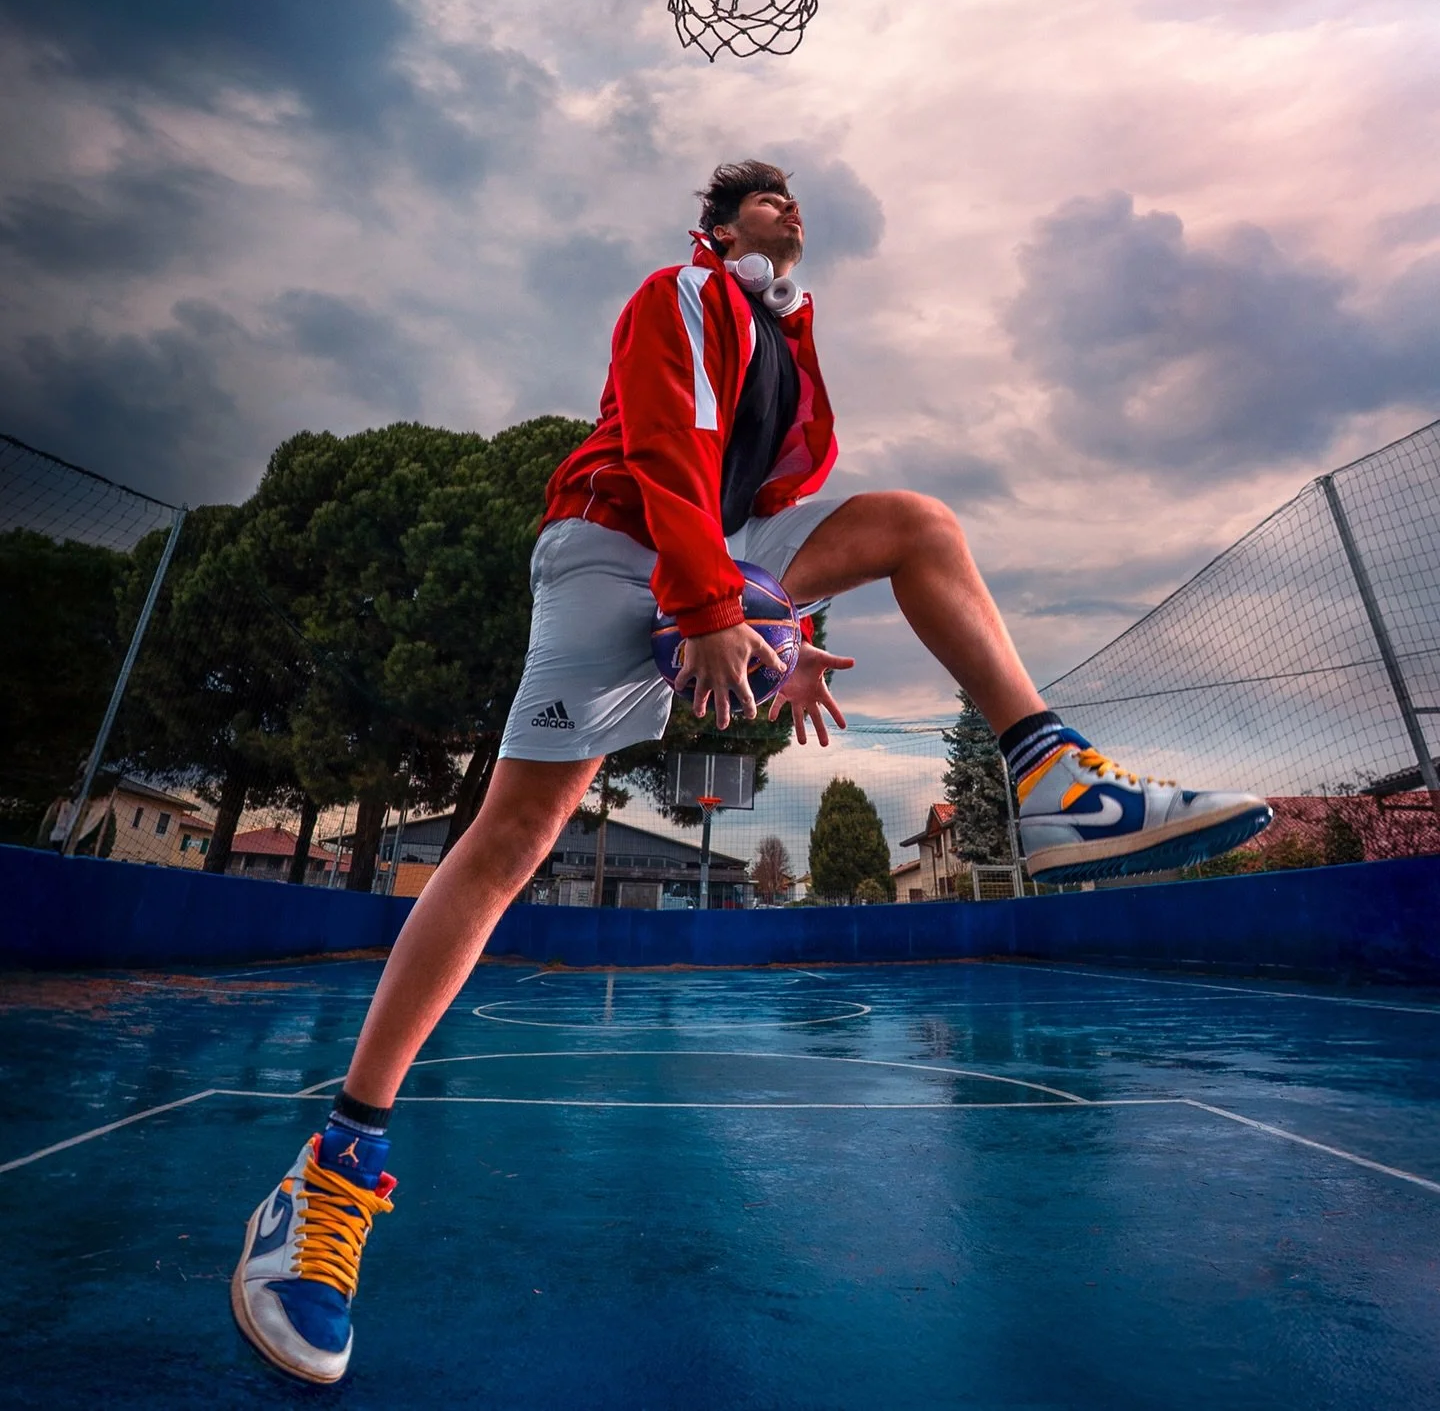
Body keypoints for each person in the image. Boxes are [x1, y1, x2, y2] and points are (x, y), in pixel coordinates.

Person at [231, 159, 1271, 1384]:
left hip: (715, 555)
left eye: (795, 204)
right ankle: (331, 1170)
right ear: (718, 226)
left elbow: (767, 495)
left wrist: (775, 626)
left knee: (920, 523)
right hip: (615, 548)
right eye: (767, 200)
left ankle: (1054, 780)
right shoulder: (678, 289)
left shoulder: (790, 341)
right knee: (510, 841)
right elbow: (670, 442)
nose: (791, 212)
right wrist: (721, 600)